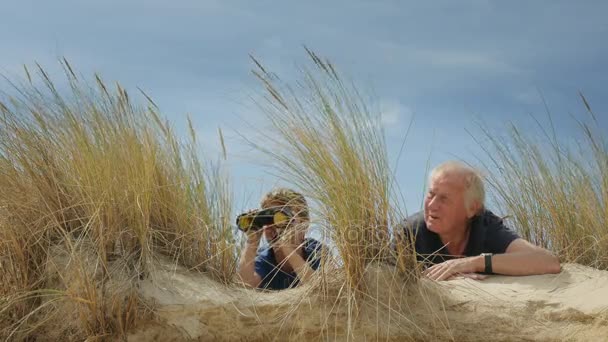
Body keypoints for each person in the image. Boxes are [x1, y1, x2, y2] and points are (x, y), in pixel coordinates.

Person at [396, 161, 561, 281]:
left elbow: (548, 262)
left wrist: (473, 263)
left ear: (472, 209)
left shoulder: (485, 226)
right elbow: (387, 281)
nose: (432, 205)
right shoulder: (409, 233)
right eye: (431, 194)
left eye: (444, 199)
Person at [237, 188, 324, 290]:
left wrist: (286, 246)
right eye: (268, 219)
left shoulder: (317, 251)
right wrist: (252, 242)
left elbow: (319, 289)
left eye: (282, 218)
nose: (274, 225)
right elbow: (244, 287)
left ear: (304, 225)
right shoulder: (265, 258)